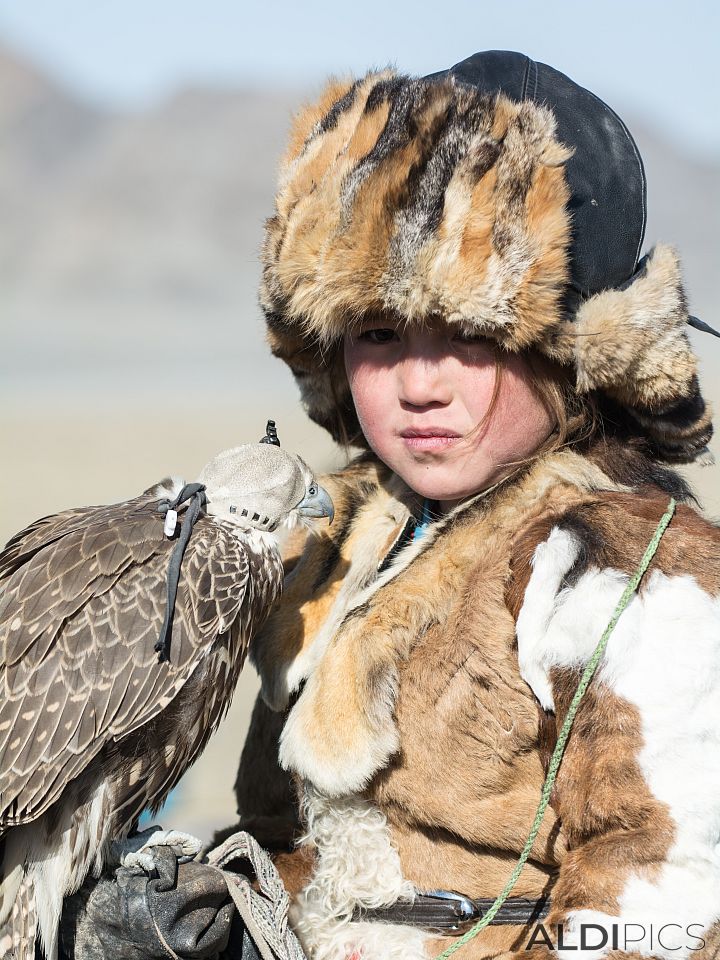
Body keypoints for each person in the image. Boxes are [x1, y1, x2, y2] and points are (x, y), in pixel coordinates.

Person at [63, 51, 720, 960]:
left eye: (472, 335)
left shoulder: (630, 572)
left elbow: (664, 896)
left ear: (574, 350)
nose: (419, 383)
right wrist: (225, 917)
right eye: (378, 334)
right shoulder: (339, 547)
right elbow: (312, 852)